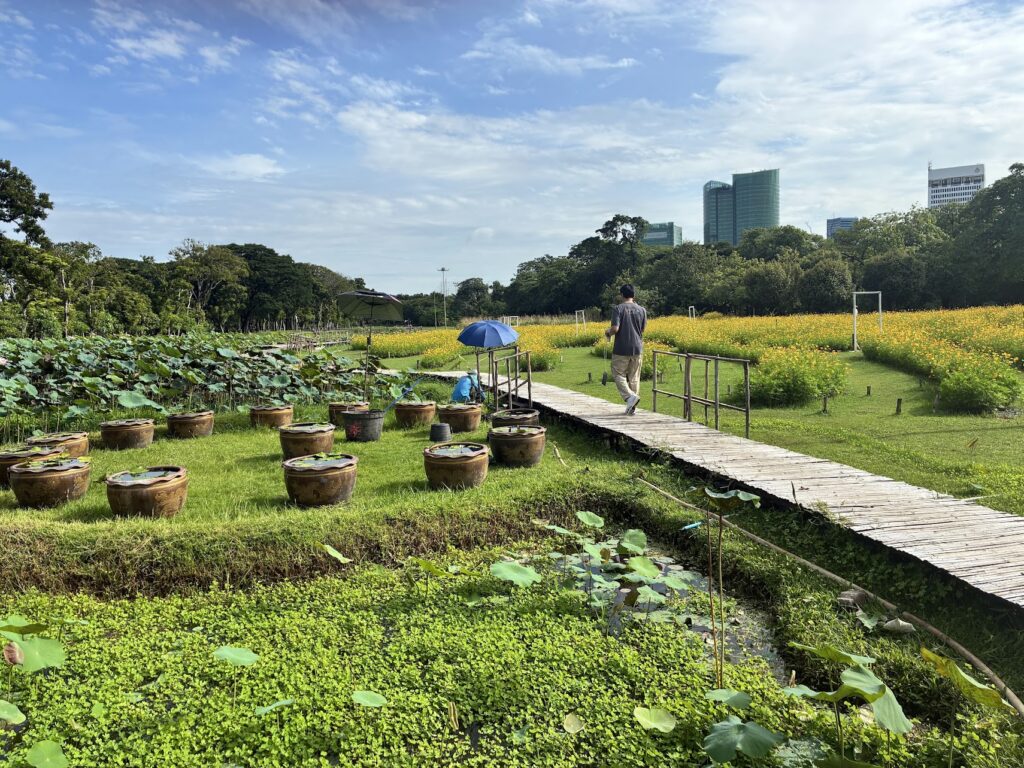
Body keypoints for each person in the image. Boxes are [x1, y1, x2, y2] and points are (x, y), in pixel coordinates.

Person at [605, 284, 647, 415]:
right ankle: (631, 408)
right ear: (634, 295)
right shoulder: (642, 310)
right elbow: (642, 329)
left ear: (622, 295)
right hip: (637, 347)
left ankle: (629, 397)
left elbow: (615, 329)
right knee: (634, 377)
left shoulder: (618, 309)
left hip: (621, 348)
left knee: (618, 374)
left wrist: (607, 332)